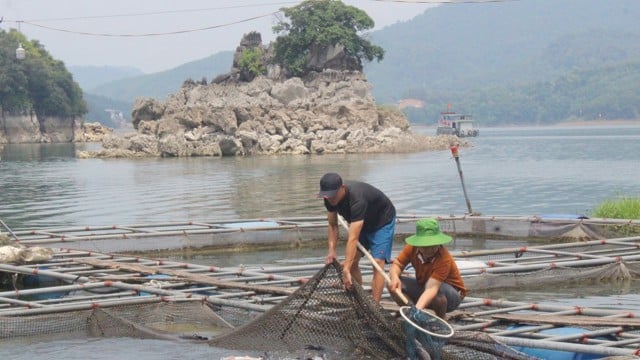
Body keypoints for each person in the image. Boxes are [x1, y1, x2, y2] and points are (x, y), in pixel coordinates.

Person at [317, 172, 396, 303]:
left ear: (342, 188)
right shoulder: (328, 199)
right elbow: (332, 225)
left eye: (333, 195)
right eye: (327, 196)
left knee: (377, 263)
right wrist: (332, 250)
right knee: (352, 262)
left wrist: (345, 269)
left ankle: (374, 306)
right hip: (359, 222)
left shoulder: (357, 199)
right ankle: (360, 298)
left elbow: (353, 238)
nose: (331, 199)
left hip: (381, 221)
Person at [387, 218, 467, 319]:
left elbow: (432, 288)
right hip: (425, 287)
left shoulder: (443, 258)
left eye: (433, 245)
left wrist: (418, 308)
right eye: (425, 246)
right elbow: (398, 264)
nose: (430, 249)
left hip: (450, 296)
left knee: (437, 291)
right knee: (393, 283)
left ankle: (441, 318)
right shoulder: (411, 248)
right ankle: (410, 310)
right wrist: (394, 277)